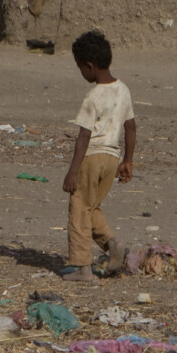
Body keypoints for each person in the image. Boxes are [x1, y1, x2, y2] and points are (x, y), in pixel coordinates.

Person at [60, 30, 135, 282]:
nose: (81, 73)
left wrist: (72, 171)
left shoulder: (92, 97)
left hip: (91, 158)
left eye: (80, 68)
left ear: (89, 66)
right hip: (112, 158)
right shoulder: (123, 90)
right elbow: (131, 127)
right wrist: (128, 160)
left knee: (79, 208)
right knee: (91, 206)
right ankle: (113, 245)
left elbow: (83, 136)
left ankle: (83, 268)